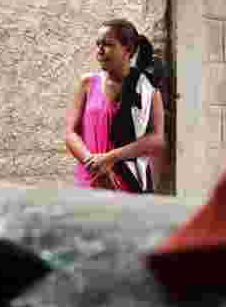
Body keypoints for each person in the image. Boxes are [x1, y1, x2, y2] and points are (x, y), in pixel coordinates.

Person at [65, 19, 166, 192]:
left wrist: (110, 158)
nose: (100, 50)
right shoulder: (88, 84)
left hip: (126, 182)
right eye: (98, 44)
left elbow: (156, 139)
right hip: (90, 180)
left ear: (127, 49)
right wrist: (95, 164)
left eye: (108, 44)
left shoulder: (148, 90)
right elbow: (70, 133)